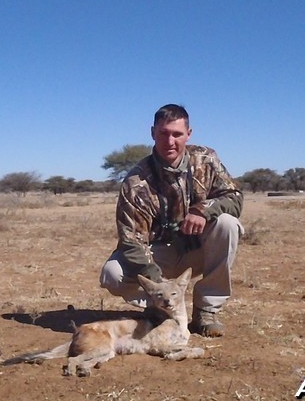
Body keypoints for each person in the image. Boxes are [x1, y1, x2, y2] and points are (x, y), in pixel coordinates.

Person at [100, 104, 243, 337]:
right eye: (163, 133)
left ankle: (206, 310)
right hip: (157, 255)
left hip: (197, 250)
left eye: (177, 134)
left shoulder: (206, 159)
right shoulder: (136, 181)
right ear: (152, 133)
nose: (170, 141)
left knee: (228, 224)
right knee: (112, 274)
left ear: (189, 134)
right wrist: (161, 287)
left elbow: (234, 197)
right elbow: (131, 242)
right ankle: (159, 309)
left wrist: (203, 211)